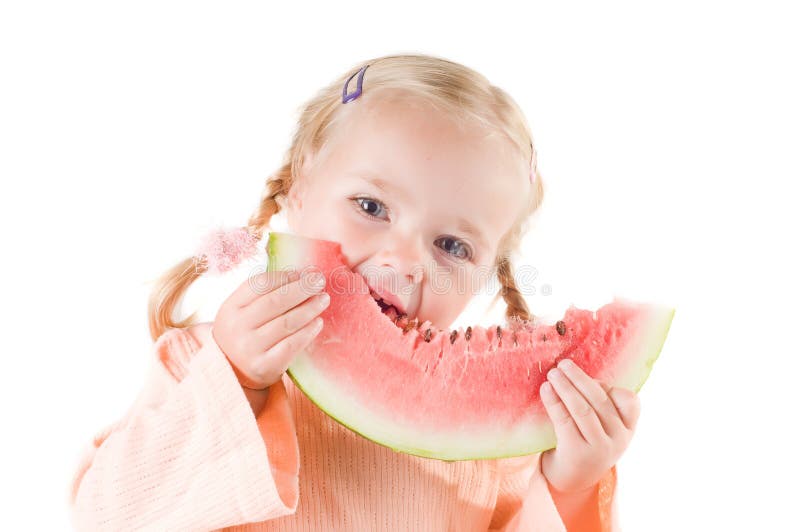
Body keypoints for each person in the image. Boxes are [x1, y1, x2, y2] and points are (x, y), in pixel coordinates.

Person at [68, 54, 640, 531]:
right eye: (371, 207)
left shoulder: (500, 440)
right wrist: (234, 382)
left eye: (452, 245)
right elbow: (107, 515)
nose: (406, 259)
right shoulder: (200, 362)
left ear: (492, 269)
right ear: (298, 188)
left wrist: (567, 485)